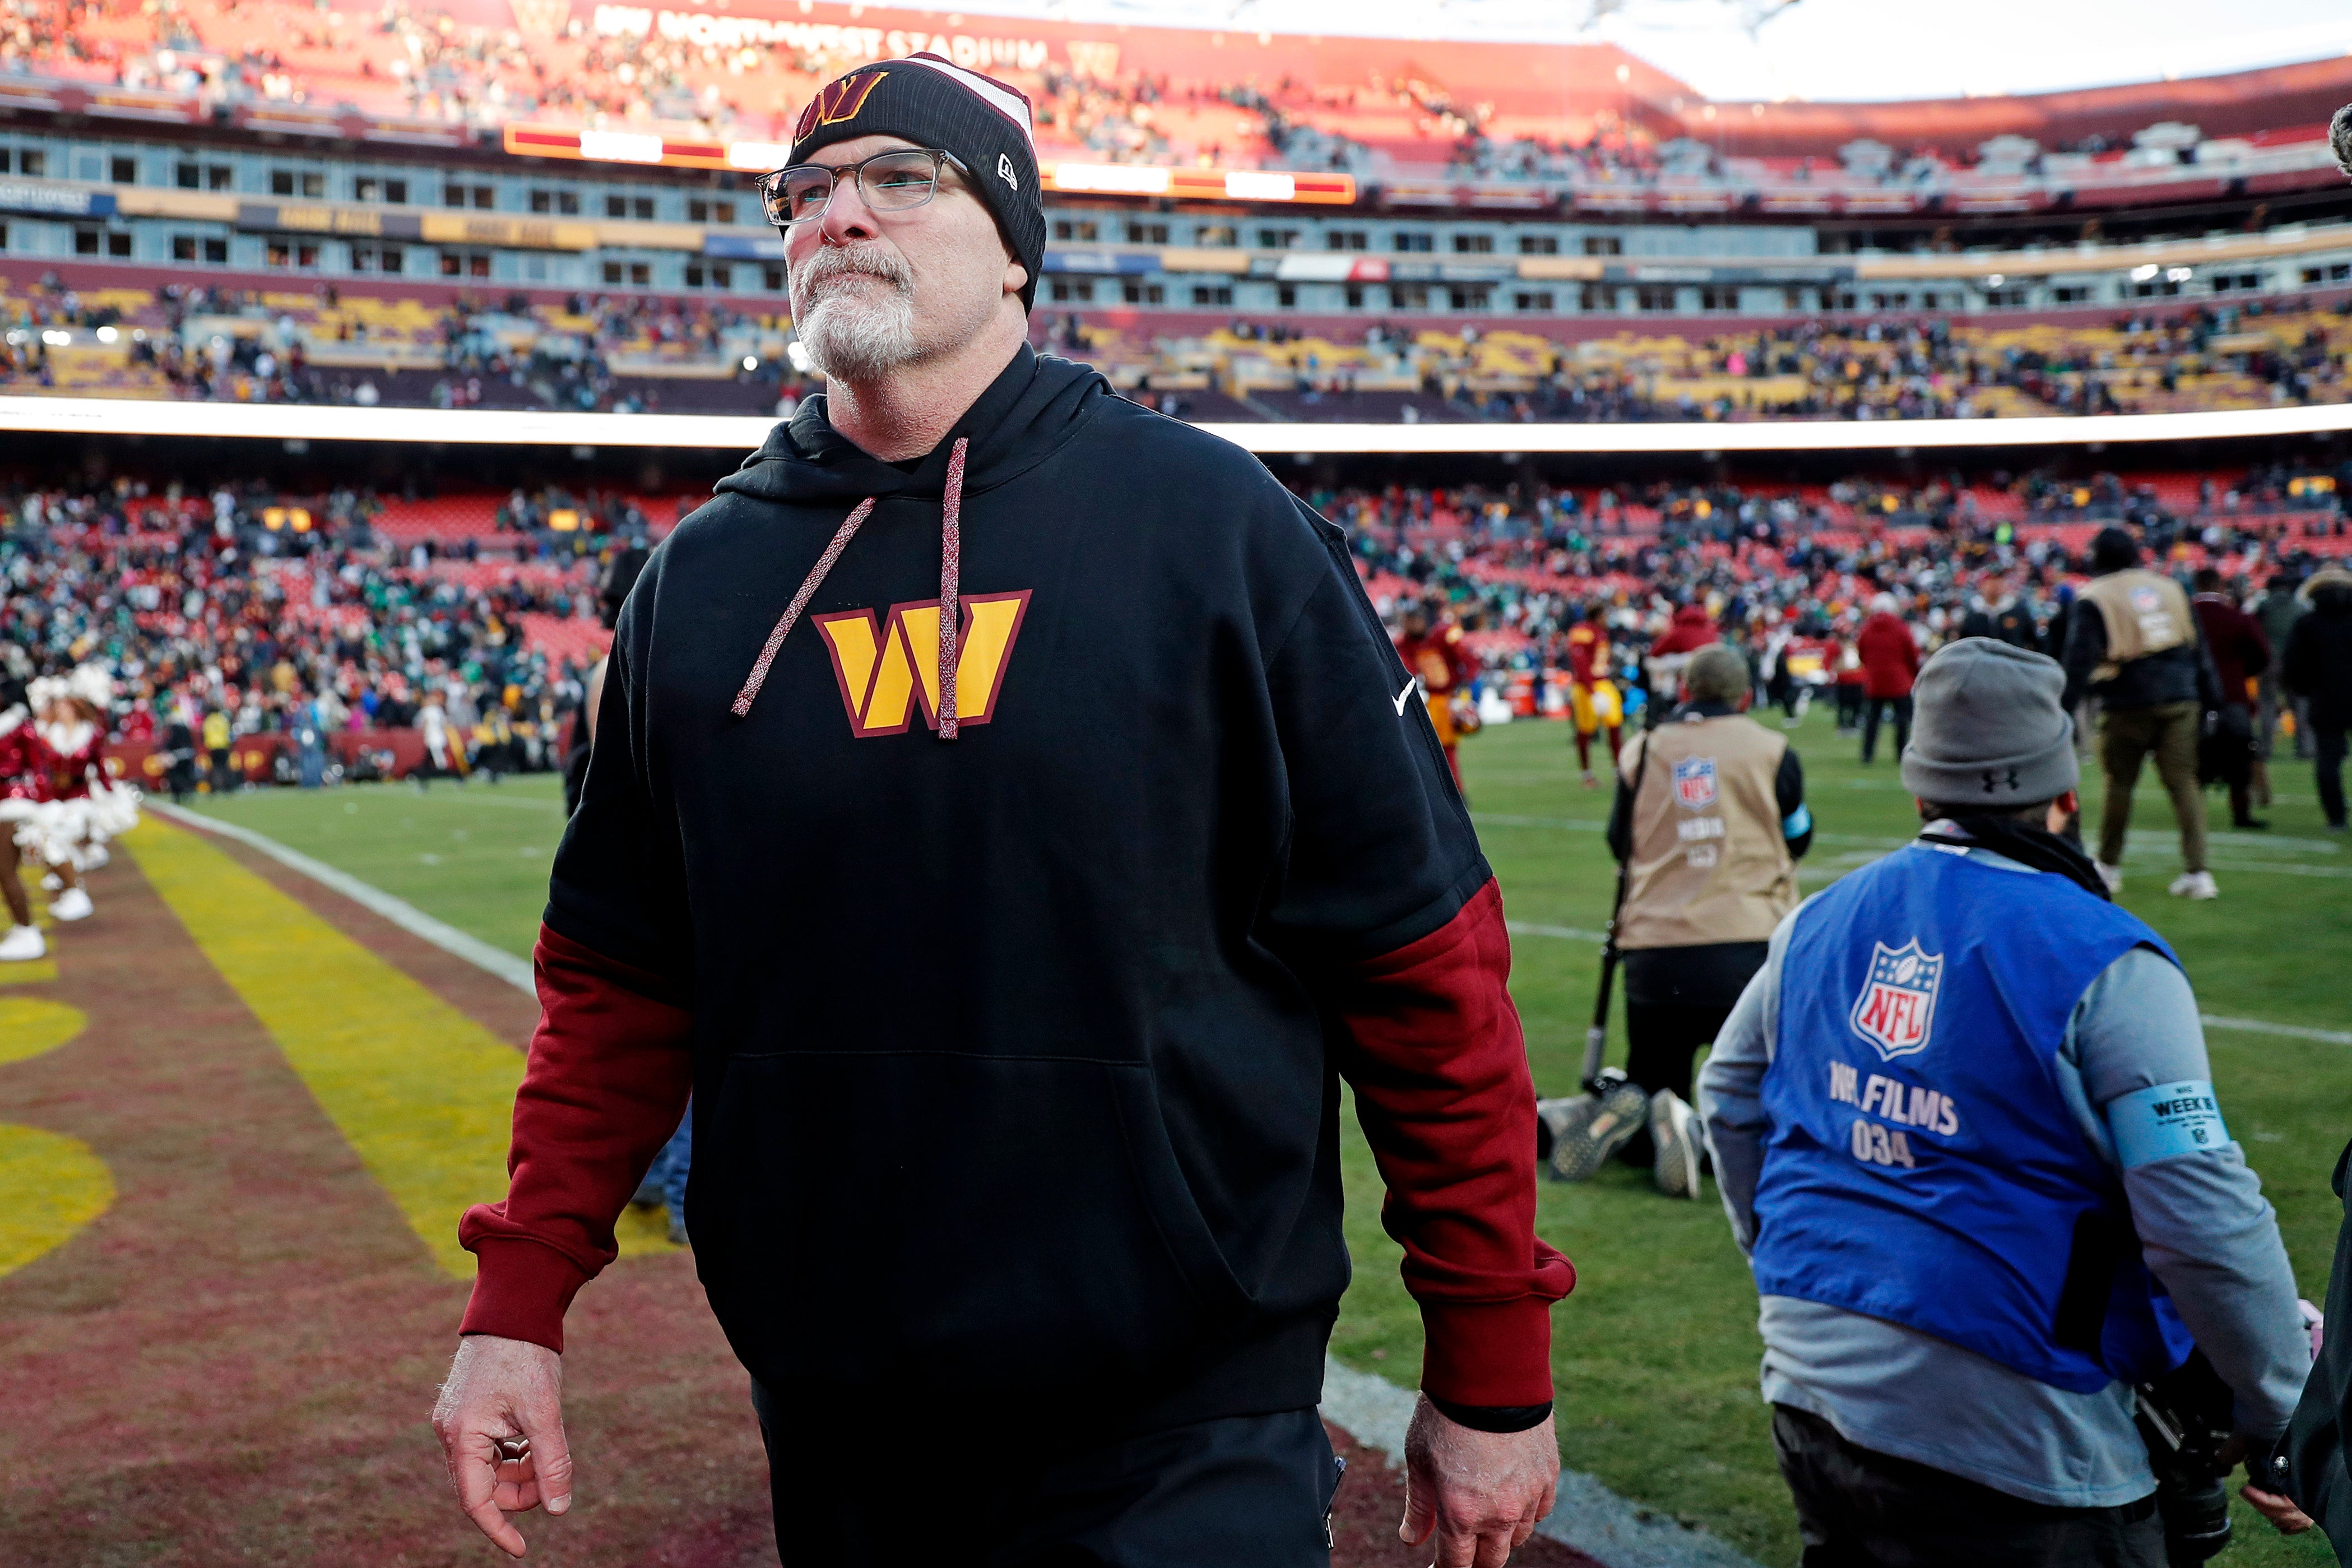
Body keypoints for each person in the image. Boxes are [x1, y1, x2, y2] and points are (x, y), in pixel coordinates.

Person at [433, 53, 1572, 1568]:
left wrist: (1488, 1353)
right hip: (839, 1409)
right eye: (804, 193)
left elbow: (1419, 962)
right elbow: (620, 988)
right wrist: (516, 1301)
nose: (838, 215)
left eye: (900, 178)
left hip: (1181, 1413)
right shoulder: (696, 584)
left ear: (1017, 244)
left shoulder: (1214, 529)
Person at [1701, 637, 2314, 1567]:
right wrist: (2283, 1406)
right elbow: (2201, 1217)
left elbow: (1727, 1098)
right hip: (2021, 1432)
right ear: (2065, 788)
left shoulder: (1812, 921)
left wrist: (1792, 1269)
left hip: (1811, 1381)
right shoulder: (2107, 960)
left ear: (1919, 787)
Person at [1550, 644, 1810, 1198]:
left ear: (1685, 690)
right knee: (1758, 1097)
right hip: (1748, 948)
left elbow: (1620, 841)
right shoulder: (1772, 749)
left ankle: (1663, 1115)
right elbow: (1798, 834)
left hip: (1656, 949)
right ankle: (1699, 1131)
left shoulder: (1644, 749)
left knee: (1652, 1081)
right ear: (1745, 696)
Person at [2062, 527, 2224, 898]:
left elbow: (2079, 658)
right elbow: (2198, 647)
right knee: (2184, 784)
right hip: (2181, 694)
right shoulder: (2170, 587)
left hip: (2127, 698)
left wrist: (2062, 708)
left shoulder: (2095, 595)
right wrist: (2214, 700)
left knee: (2119, 784)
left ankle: (2108, 868)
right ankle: (2198, 873)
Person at [2191, 567, 2272, 831]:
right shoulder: (2238, 618)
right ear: (2221, 587)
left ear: (2196, 586)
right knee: (2240, 756)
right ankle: (2241, 812)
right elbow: (2263, 654)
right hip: (2233, 695)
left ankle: (2191, 814)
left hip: (2194, 697)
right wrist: (2241, 672)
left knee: (2192, 755)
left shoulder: (2187, 618)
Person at [2283, 564, 2352, 834]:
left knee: (2328, 761)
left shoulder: (2307, 624)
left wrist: (2306, 690)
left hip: (2325, 699)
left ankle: (2336, 818)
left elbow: (2293, 665)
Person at [1396, 600, 1476, 791]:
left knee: (1446, 751)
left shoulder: (1443, 634)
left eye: (1414, 620)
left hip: (1446, 698)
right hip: (1426, 699)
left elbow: (1469, 661)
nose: (1410, 625)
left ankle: (1455, 792)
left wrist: (1463, 689)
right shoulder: (1405, 643)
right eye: (1408, 620)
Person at [1855, 593, 1919, 766]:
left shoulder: (1867, 628)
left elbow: (1861, 652)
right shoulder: (1901, 628)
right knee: (1902, 721)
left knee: (1872, 720)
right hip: (1899, 681)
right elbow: (1912, 654)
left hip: (1875, 682)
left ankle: (1867, 755)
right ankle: (1901, 754)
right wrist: (1913, 674)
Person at [1563, 602, 1622, 788]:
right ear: (1598, 616)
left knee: (1615, 724)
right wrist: (1592, 691)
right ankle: (1587, 774)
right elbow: (1580, 662)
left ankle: (1618, 771)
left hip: (1603, 682)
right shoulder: (1582, 631)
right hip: (1586, 686)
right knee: (1585, 730)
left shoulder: (1600, 632)